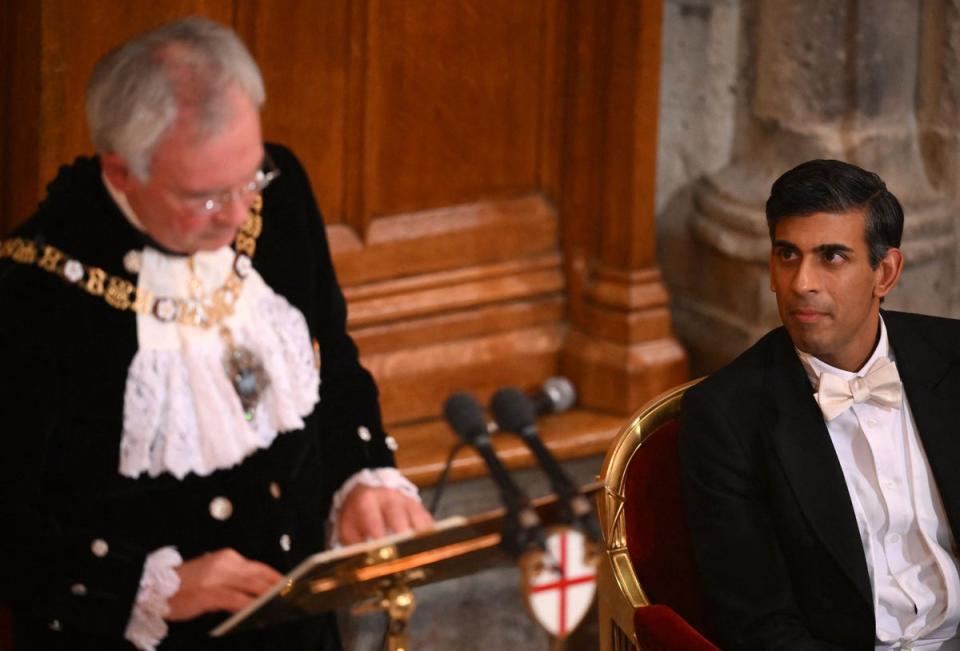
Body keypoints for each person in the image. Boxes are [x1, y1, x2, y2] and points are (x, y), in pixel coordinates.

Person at [0, 17, 432, 650]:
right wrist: (142, 588)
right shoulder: (33, 293)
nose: (235, 213)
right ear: (121, 174)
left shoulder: (278, 196)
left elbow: (332, 367)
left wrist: (360, 477)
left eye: (246, 179)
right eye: (203, 198)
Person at [680, 159, 960, 650]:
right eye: (787, 255)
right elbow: (760, 626)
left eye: (832, 257)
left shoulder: (952, 358)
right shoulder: (726, 416)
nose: (802, 282)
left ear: (886, 271)